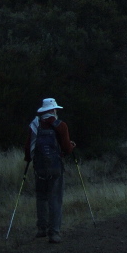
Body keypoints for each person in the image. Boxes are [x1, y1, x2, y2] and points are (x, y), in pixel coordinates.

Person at [24, 97, 76, 243]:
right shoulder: (61, 125)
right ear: (53, 110)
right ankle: (54, 233)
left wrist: (28, 160)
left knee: (41, 197)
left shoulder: (35, 124)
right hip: (55, 168)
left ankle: (42, 229)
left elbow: (28, 148)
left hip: (39, 167)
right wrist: (72, 147)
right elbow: (66, 148)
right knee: (55, 198)